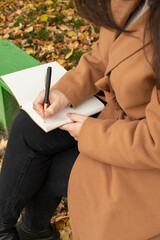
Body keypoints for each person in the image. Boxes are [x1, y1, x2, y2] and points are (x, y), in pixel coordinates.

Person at [0, 0, 160, 239]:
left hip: (143, 158)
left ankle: (34, 231)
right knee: (28, 126)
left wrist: (89, 133)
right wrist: (65, 91)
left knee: (48, 169)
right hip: (114, 115)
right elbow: (102, 56)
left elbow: (154, 142)